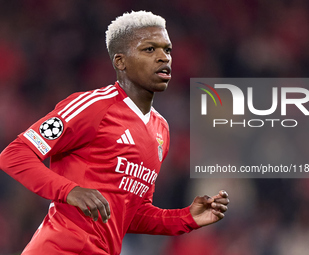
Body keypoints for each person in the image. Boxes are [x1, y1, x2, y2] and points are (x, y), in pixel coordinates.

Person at [0, 10, 229, 255]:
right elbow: (14, 155)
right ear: (120, 61)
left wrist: (186, 218)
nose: (164, 57)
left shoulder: (160, 129)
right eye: (150, 50)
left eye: (167, 49)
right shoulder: (93, 106)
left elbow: (130, 213)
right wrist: (70, 191)